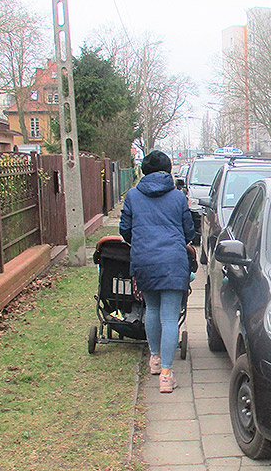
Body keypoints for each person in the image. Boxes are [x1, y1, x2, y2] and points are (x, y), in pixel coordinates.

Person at [119, 150, 195, 393]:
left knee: (151, 309)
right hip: (173, 260)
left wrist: (142, 241)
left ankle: (155, 359)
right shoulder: (178, 197)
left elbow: (125, 230)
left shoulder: (132, 195)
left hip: (144, 260)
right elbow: (189, 232)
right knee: (170, 317)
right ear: (168, 170)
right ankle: (166, 374)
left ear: (143, 170)